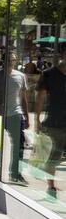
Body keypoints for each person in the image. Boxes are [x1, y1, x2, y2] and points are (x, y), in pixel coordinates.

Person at [0, 52, 29, 183]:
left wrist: (26, 116)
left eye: (13, 60)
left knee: (18, 146)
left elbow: (23, 97)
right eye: (9, 60)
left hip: (16, 115)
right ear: (3, 61)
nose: (11, 62)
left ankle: (15, 173)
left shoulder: (21, 76)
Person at [36, 44, 66, 199]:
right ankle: (51, 186)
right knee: (53, 157)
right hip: (54, 123)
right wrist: (37, 120)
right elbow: (40, 97)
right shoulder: (49, 74)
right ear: (62, 54)